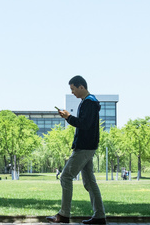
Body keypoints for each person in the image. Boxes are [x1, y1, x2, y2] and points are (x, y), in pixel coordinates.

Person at [47, 75, 106, 225]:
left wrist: (68, 117)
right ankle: (99, 216)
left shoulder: (89, 103)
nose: (72, 92)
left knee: (65, 177)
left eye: (73, 89)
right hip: (88, 146)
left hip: (84, 147)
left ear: (81, 87)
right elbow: (85, 124)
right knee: (90, 182)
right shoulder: (88, 102)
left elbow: (84, 124)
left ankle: (64, 215)